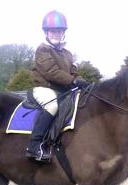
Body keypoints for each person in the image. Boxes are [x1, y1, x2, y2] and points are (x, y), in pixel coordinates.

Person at [27, 10, 90, 162]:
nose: (56, 34)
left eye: (59, 31)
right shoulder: (42, 49)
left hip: (63, 89)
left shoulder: (67, 53)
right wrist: (72, 81)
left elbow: (74, 73)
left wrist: (82, 82)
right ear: (47, 33)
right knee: (52, 106)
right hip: (45, 88)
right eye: (53, 31)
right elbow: (51, 72)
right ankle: (34, 146)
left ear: (63, 33)